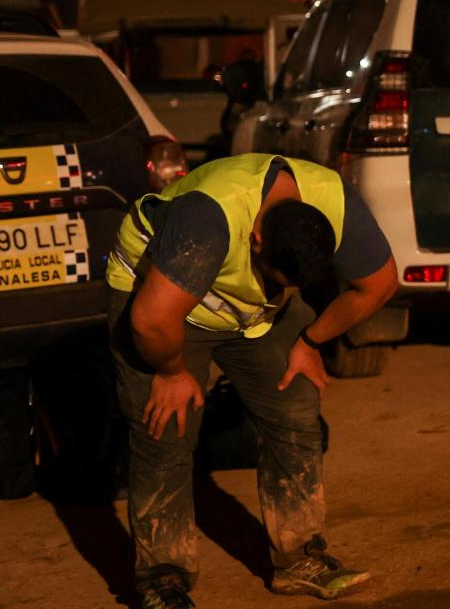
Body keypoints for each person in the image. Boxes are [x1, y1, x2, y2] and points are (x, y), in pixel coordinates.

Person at [106, 153, 400, 608]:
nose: (271, 280)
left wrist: (310, 341)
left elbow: (380, 283)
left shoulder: (336, 203)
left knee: (296, 405)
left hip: (250, 312)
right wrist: (171, 372)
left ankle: (301, 557)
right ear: (256, 237)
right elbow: (150, 320)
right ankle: (163, 578)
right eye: (271, 272)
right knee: (165, 426)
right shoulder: (209, 214)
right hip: (163, 308)